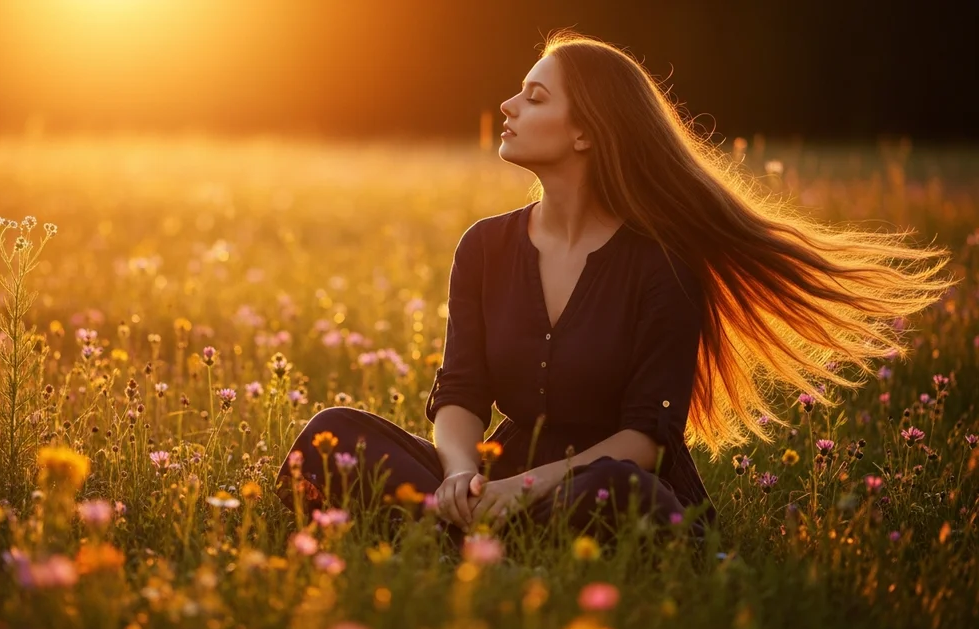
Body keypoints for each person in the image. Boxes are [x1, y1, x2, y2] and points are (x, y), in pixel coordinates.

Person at [273, 30, 957, 549]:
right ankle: (464, 528)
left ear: (586, 133)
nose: (508, 105)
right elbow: (460, 392)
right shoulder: (484, 245)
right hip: (494, 479)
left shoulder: (662, 264)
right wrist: (460, 479)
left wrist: (515, 493)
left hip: (602, 487)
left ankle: (464, 537)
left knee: (618, 490)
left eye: (536, 97)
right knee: (330, 434)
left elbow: (644, 441)